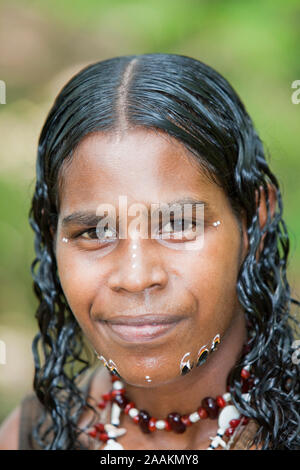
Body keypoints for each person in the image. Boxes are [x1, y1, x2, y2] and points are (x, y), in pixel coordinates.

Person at [0, 53, 299, 450]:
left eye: (178, 225)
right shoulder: (31, 436)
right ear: (54, 239)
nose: (136, 277)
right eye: (95, 231)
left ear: (253, 221)